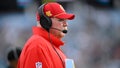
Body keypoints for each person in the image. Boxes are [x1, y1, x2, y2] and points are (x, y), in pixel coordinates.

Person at [17, 2, 75, 68]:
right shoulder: (37, 45)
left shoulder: (52, 47)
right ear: (46, 22)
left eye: (66, 20)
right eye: (61, 20)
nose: (66, 24)